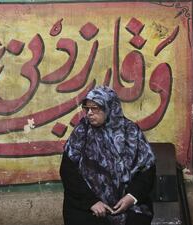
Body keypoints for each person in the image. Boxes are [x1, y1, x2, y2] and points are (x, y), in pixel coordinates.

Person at [60, 86, 156, 225]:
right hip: (88, 206)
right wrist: (91, 202)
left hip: (127, 205)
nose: (90, 113)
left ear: (110, 107)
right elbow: (68, 171)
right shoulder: (82, 131)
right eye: (87, 108)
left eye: (96, 108)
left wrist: (131, 197)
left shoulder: (131, 132)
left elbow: (147, 170)